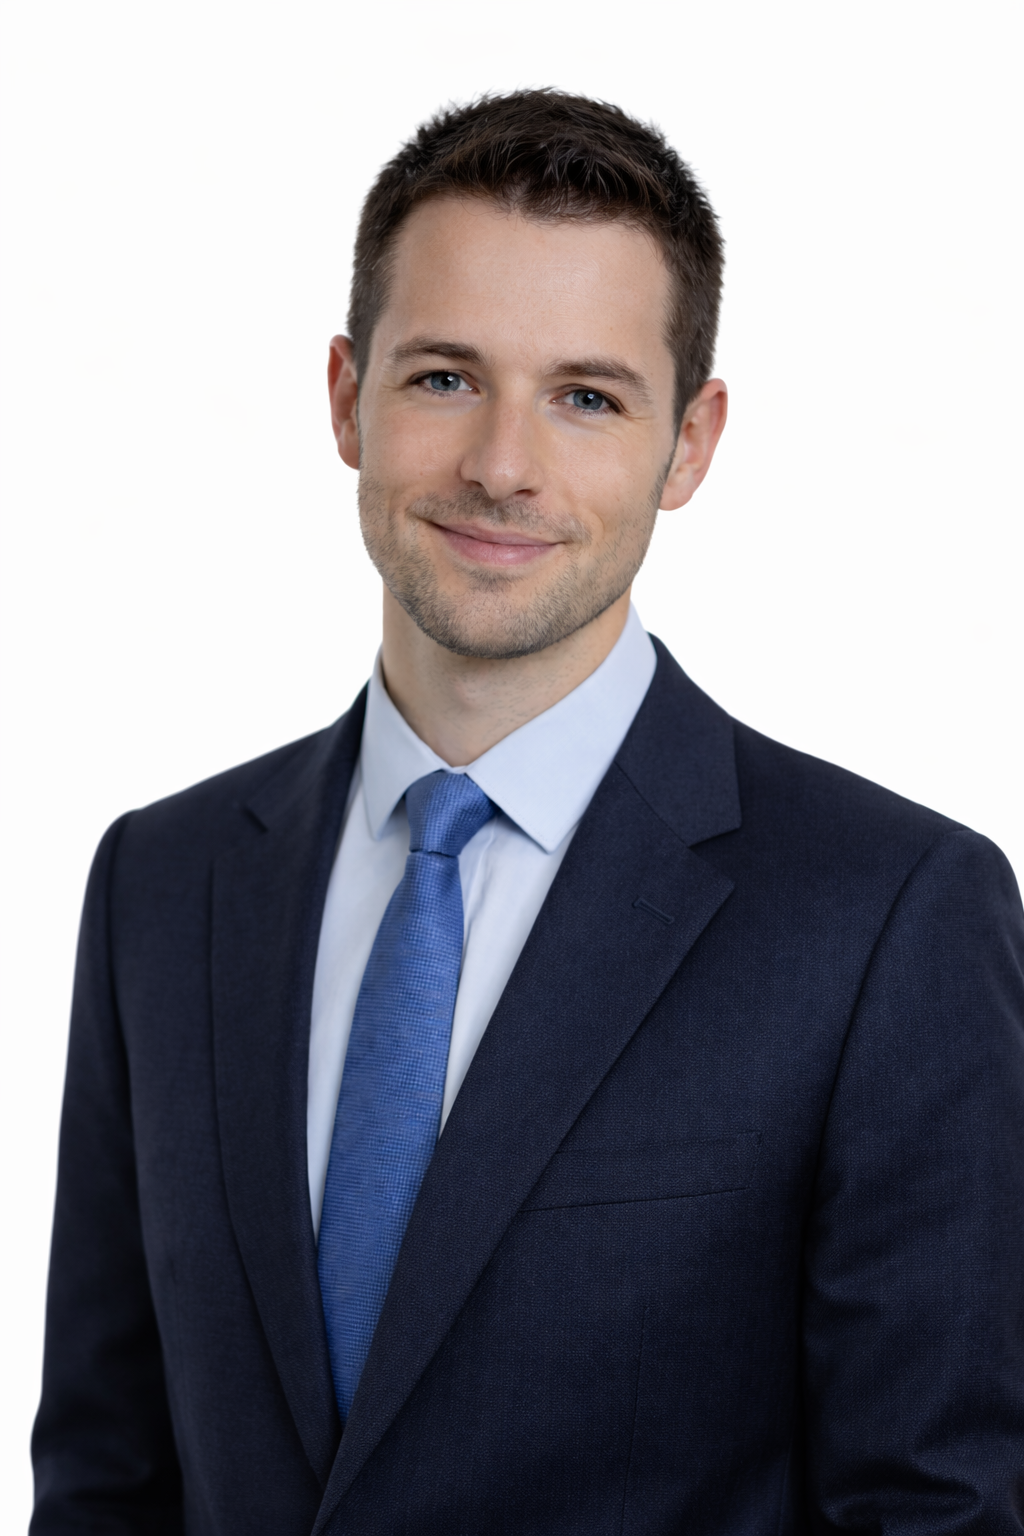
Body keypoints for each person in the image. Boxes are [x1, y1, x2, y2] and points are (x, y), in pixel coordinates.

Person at [31, 89, 1024, 1536]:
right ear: (343, 397)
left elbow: (934, 1508)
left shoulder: (887, 916)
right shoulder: (162, 883)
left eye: (586, 395)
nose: (503, 464)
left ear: (689, 445)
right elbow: (104, 1477)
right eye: (443, 378)